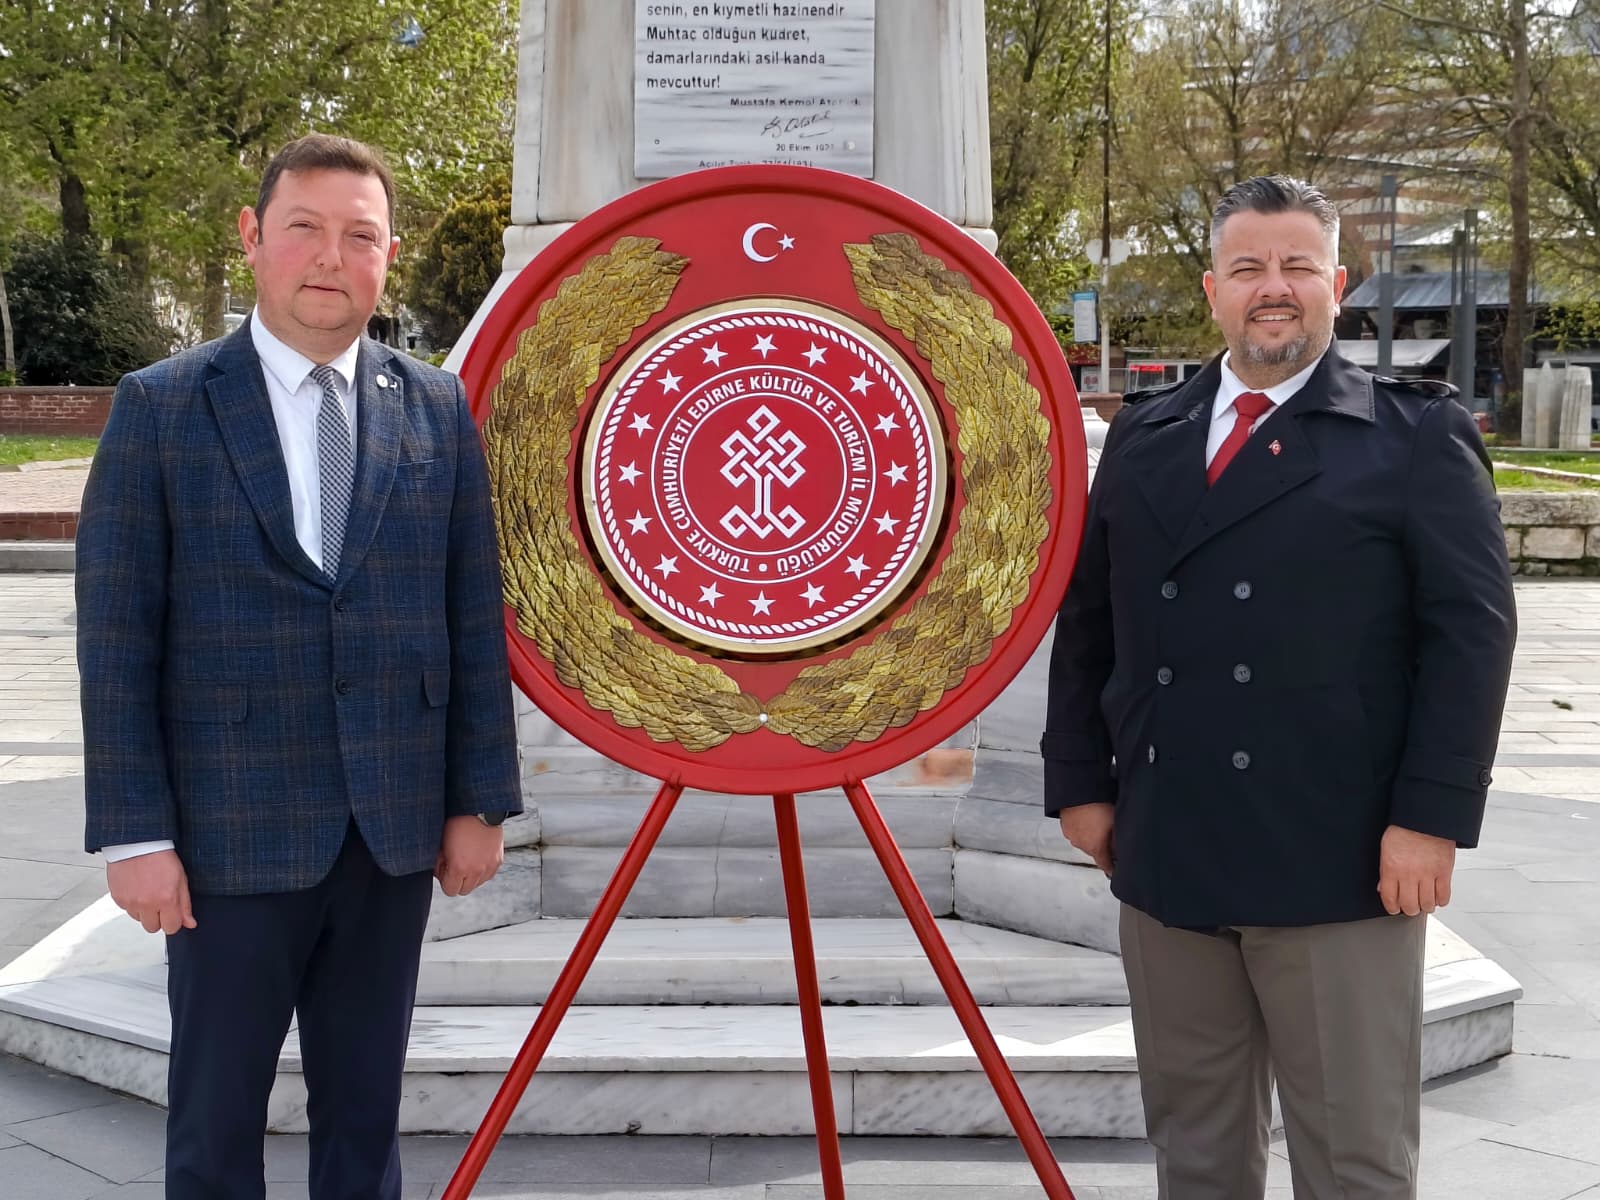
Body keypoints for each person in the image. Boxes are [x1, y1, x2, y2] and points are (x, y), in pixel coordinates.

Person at [1042, 174, 1516, 1200]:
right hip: (1171, 848)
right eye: (1249, 267)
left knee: (1352, 1159)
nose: (1273, 287)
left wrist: (1430, 821)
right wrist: (1080, 779)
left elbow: (1469, 637)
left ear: (1335, 285)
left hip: (1338, 857)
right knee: (1197, 1152)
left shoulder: (1412, 436)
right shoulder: (1146, 432)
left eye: (1297, 265)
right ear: (1211, 290)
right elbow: (1088, 620)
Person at [76, 133, 522, 1199]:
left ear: (388, 255)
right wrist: (135, 833)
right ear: (253, 238)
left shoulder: (436, 409)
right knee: (216, 1119)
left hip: (389, 829)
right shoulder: (161, 407)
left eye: (358, 236)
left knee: (364, 1120)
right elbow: (116, 635)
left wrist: (479, 803)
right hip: (226, 838)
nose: (331, 257)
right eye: (305, 229)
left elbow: (470, 614)